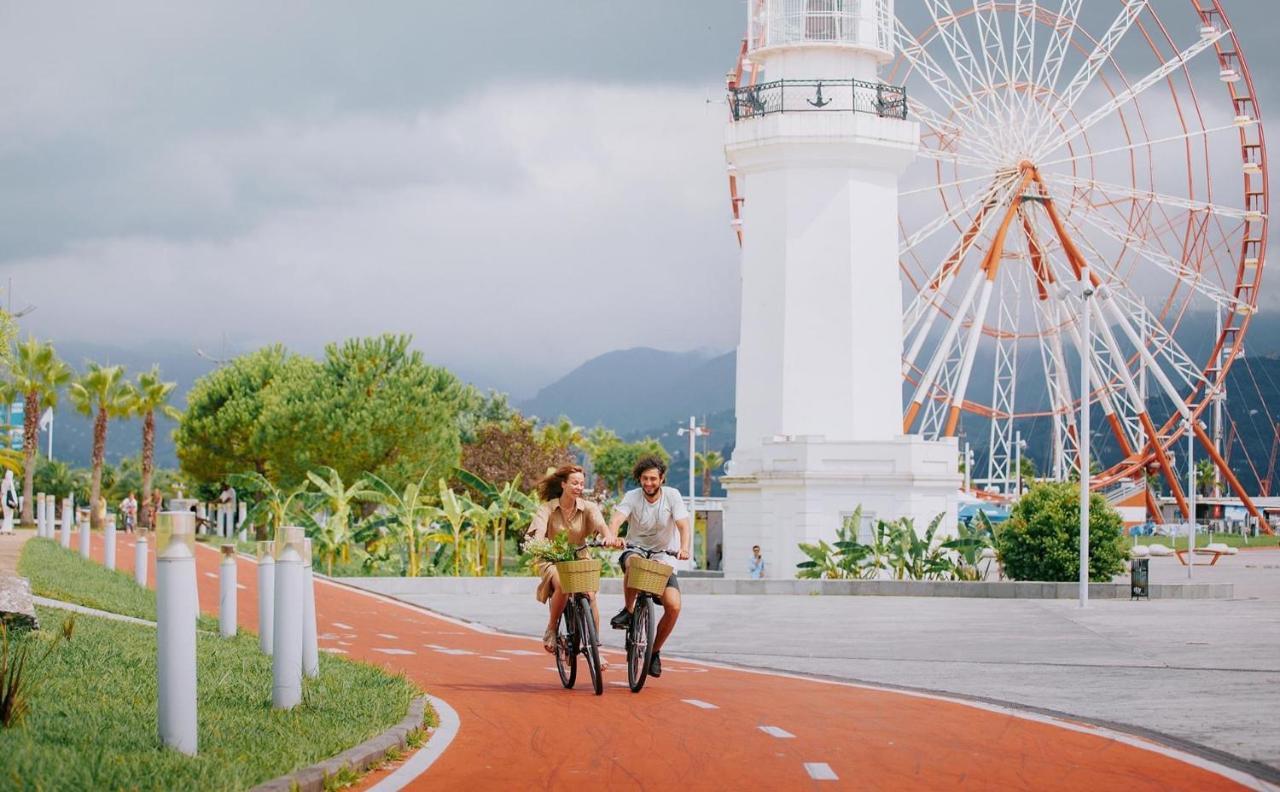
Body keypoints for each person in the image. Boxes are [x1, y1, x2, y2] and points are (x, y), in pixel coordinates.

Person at [607, 456, 691, 679]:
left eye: (653, 478)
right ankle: (629, 609)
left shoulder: (672, 496)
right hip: (636, 548)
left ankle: (654, 652)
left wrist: (683, 548)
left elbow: (683, 525)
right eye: (644, 478)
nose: (649, 483)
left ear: (661, 479)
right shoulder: (632, 497)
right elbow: (617, 519)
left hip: (664, 556)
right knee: (634, 562)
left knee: (673, 606)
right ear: (639, 479)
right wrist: (613, 536)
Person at [525, 465, 611, 657]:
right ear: (563, 484)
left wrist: (607, 536)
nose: (579, 487)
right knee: (564, 584)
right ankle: (552, 629)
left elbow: (601, 525)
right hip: (553, 559)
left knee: (591, 595)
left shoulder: (589, 507)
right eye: (574, 483)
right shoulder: (547, 508)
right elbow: (539, 531)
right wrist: (539, 543)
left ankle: (595, 648)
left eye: (581, 484)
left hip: (579, 557)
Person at [0, 470, 16, 535]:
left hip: (3, 499)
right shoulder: (10, 482)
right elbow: (12, 493)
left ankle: (7, 529)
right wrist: (14, 502)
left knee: (6, 515)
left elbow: (1, 492)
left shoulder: (3, 482)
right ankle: (6, 529)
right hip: (9, 500)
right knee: (9, 515)